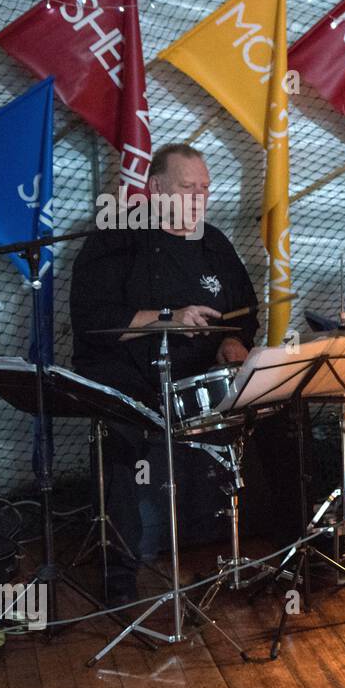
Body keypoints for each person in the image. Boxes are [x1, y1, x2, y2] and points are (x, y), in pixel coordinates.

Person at [70, 143, 258, 603]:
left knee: (271, 409)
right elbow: (93, 321)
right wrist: (168, 318)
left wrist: (235, 343)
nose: (199, 198)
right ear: (155, 189)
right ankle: (120, 577)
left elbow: (245, 313)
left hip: (199, 383)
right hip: (126, 382)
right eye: (187, 188)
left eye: (205, 189)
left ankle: (240, 552)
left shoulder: (214, 243)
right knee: (119, 442)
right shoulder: (114, 239)